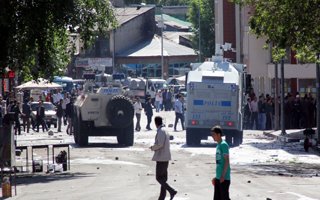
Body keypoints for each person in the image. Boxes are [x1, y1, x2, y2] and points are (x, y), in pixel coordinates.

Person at [150, 116, 177, 200]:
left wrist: (152, 147)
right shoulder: (164, 130)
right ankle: (162, 197)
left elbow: (160, 144)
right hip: (165, 157)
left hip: (161, 157)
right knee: (163, 179)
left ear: (155, 123)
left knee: (159, 178)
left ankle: (172, 191)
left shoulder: (161, 131)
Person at [211, 125, 231, 200]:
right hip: (219, 178)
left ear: (219, 134)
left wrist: (223, 175)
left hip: (224, 179)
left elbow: (227, 161)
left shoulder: (223, 145)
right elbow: (219, 163)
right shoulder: (218, 145)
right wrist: (216, 177)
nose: (212, 136)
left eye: (214, 134)